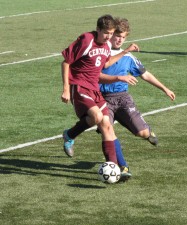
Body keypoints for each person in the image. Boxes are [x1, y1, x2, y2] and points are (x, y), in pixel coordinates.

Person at [60, 14, 139, 179]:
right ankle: (70, 134)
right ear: (98, 30)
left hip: (94, 89)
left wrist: (124, 53)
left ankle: (115, 168)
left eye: (111, 34)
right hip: (80, 86)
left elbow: (104, 66)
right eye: (106, 33)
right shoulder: (86, 40)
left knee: (107, 125)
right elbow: (66, 62)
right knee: (96, 116)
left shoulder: (105, 46)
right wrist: (66, 88)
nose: (109, 37)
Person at [99, 18, 175, 154]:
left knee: (142, 132)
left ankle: (148, 133)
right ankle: (120, 165)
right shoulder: (100, 53)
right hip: (102, 99)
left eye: (123, 37)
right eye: (117, 36)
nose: (120, 40)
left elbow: (145, 75)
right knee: (108, 131)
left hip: (122, 98)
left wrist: (165, 88)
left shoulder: (128, 57)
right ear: (111, 34)